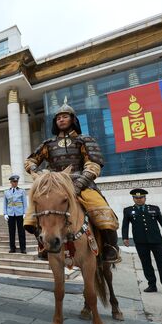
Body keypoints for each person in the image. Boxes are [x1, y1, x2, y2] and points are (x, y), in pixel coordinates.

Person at [23, 98, 121, 264]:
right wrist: (38, 175)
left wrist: (78, 184)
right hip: (55, 186)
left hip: (82, 184)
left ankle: (110, 247)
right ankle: (44, 244)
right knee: (31, 216)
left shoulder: (85, 140)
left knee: (103, 211)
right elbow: (30, 161)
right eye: (58, 117)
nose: (61, 119)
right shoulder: (48, 144)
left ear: (73, 119)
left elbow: (93, 164)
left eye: (65, 116)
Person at [122, 188, 162, 297]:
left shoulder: (154, 209)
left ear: (145, 198)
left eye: (141, 197)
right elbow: (125, 225)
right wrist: (125, 238)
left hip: (156, 241)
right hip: (141, 242)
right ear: (133, 198)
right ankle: (152, 285)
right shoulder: (128, 210)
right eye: (136, 198)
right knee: (146, 264)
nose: (138, 200)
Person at [4, 174, 27, 254]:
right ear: (11, 182)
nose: (15, 183)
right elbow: (5, 204)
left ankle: (23, 248)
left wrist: (25, 213)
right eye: (14, 181)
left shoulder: (22, 191)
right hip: (10, 214)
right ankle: (12, 247)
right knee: (11, 232)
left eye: (16, 181)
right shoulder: (6, 192)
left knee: (21, 231)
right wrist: (5, 214)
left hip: (20, 214)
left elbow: (25, 203)